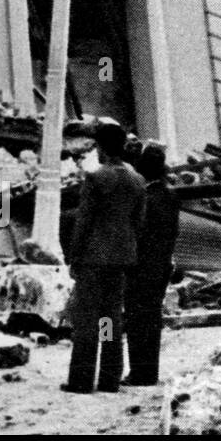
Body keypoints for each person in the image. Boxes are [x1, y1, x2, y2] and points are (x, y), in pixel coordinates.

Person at [63, 118, 144, 394]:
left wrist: (74, 257)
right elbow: (138, 223)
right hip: (121, 258)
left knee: (86, 319)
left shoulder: (96, 178)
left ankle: (82, 380)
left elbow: (83, 222)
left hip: (93, 258)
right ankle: (109, 378)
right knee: (110, 319)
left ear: (100, 147)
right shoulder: (137, 180)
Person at [123, 141, 179, 386]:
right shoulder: (170, 194)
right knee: (152, 319)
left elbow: (138, 233)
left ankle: (139, 372)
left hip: (141, 266)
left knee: (136, 320)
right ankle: (149, 372)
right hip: (162, 264)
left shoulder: (145, 198)